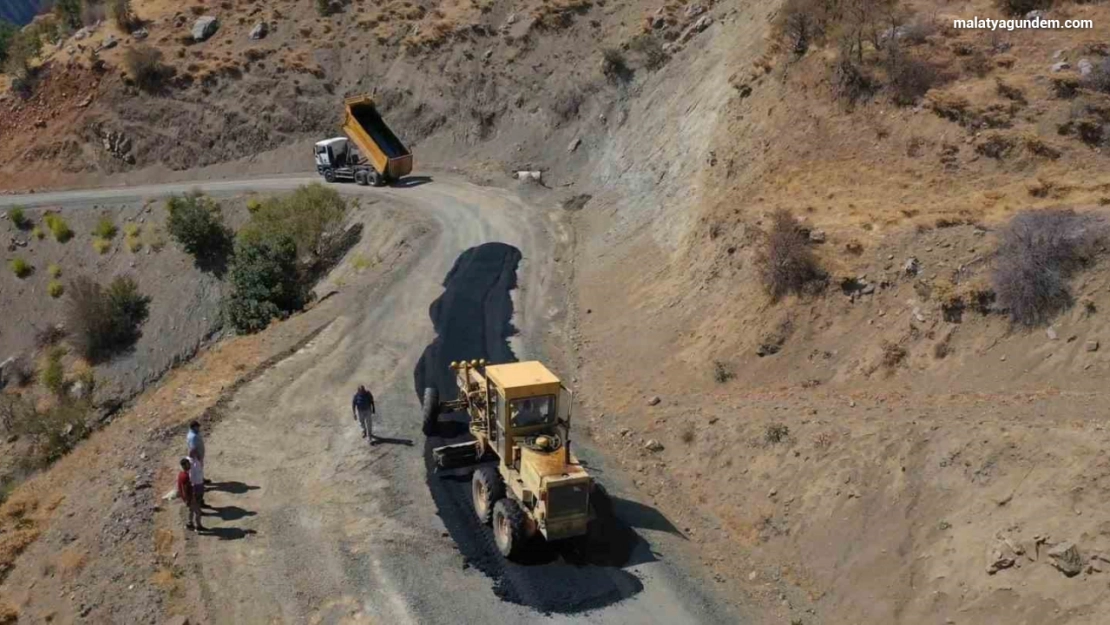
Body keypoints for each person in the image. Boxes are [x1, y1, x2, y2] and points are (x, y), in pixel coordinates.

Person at [178, 458, 205, 532]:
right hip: (190, 498)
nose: (190, 465)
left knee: (191, 510)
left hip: (187, 498)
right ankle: (198, 526)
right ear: (185, 465)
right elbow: (185, 490)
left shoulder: (181, 474)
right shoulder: (186, 477)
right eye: (188, 464)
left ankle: (190, 524)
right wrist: (191, 499)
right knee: (198, 512)